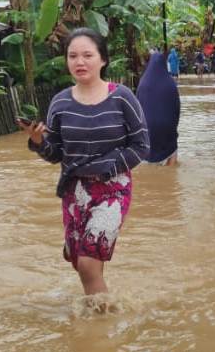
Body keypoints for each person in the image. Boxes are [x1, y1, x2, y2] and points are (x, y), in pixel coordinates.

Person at [20, 28, 149, 298]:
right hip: (74, 190)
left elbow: (141, 146)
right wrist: (37, 141)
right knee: (80, 262)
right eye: (73, 56)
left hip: (113, 187)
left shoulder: (123, 97)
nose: (80, 62)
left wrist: (107, 167)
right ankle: (100, 308)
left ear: (102, 59)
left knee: (89, 263)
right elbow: (56, 153)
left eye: (87, 55)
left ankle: (100, 327)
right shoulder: (60, 102)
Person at [137, 51, 180, 166]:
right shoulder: (170, 83)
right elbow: (176, 108)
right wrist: (174, 127)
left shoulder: (143, 83)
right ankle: (171, 172)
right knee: (172, 147)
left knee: (148, 156)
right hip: (167, 127)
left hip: (148, 127)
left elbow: (137, 107)